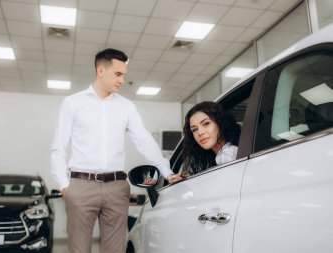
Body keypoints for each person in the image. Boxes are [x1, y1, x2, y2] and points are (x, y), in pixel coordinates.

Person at [50, 48, 177, 253]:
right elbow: (58, 148)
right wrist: (65, 186)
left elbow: (144, 140)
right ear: (101, 70)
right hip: (81, 186)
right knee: (78, 250)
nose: (121, 80)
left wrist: (167, 172)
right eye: (118, 74)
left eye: (124, 75)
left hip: (117, 187)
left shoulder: (126, 106)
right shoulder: (73, 103)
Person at [181, 101, 241, 176]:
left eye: (206, 123)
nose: (200, 132)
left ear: (220, 123)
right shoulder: (214, 158)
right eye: (194, 129)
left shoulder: (229, 155)